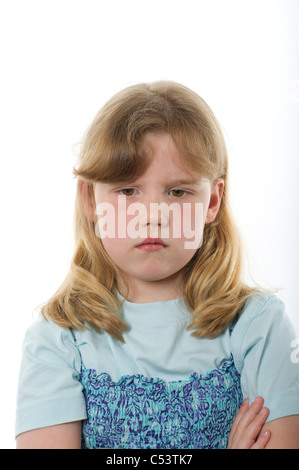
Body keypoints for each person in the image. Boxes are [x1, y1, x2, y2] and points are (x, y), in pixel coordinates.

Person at [15, 81, 299, 449]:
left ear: (212, 202)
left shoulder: (258, 326)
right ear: (90, 200)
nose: (153, 217)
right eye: (128, 191)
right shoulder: (56, 340)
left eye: (178, 192)